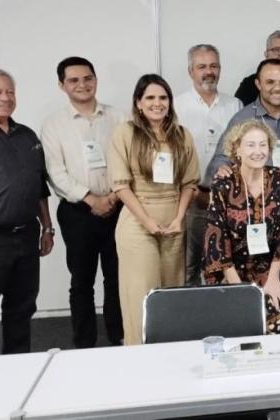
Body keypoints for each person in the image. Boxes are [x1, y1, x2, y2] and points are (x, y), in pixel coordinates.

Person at [107, 74, 200, 345]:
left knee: (171, 296)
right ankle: (138, 356)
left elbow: (190, 183)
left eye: (163, 98)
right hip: (138, 222)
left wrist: (179, 218)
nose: (157, 103)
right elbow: (121, 185)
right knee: (141, 296)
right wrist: (147, 221)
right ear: (138, 103)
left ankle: (169, 358)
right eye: (150, 97)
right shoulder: (125, 133)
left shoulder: (182, 135)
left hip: (174, 221)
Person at [40, 56, 125, 347]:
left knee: (116, 280)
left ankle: (119, 340)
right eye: (74, 80)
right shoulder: (53, 124)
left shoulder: (118, 117)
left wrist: (113, 196)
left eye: (87, 78)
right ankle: (84, 345)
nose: (82, 84)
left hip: (117, 207)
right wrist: (91, 199)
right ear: (62, 85)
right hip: (77, 212)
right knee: (81, 283)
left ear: (96, 80)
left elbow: (130, 160)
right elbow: (55, 172)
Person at [0, 68, 54, 354]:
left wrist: (46, 227)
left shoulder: (26, 135)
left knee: (21, 309)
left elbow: (39, 187)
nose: (5, 98)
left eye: (10, 91)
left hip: (25, 237)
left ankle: (17, 368)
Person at [202, 120, 280, 333]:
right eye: (251, 145)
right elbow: (216, 238)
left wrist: (273, 279)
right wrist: (238, 287)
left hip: (268, 268)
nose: (258, 151)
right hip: (231, 271)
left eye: (263, 145)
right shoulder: (223, 185)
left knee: (277, 322)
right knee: (236, 328)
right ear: (237, 148)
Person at [175, 44, 242, 286]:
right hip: (189, 199)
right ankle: (191, 320)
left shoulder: (234, 106)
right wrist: (193, 192)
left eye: (213, 66)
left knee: (222, 263)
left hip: (225, 200)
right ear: (190, 71)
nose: (208, 71)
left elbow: (240, 154)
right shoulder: (175, 107)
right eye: (202, 66)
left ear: (220, 70)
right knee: (188, 264)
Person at [206, 58, 280, 180]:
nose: (277, 88)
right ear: (258, 84)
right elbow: (221, 158)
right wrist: (221, 168)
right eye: (270, 82)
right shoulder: (242, 118)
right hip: (256, 194)